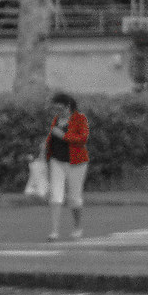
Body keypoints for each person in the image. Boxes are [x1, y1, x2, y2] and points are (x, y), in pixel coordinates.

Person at [43, 91, 90, 241]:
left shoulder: (80, 118)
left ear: (68, 106)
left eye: (60, 108)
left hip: (76, 163)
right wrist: (45, 148)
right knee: (55, 195)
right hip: (57, 160)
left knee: (74, 198)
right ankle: (54, 231)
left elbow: (83, 139)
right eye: (55, 109)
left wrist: (63, 136)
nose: (57, 112)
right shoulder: (56, 119)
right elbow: (52, 138)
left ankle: (77, 227)